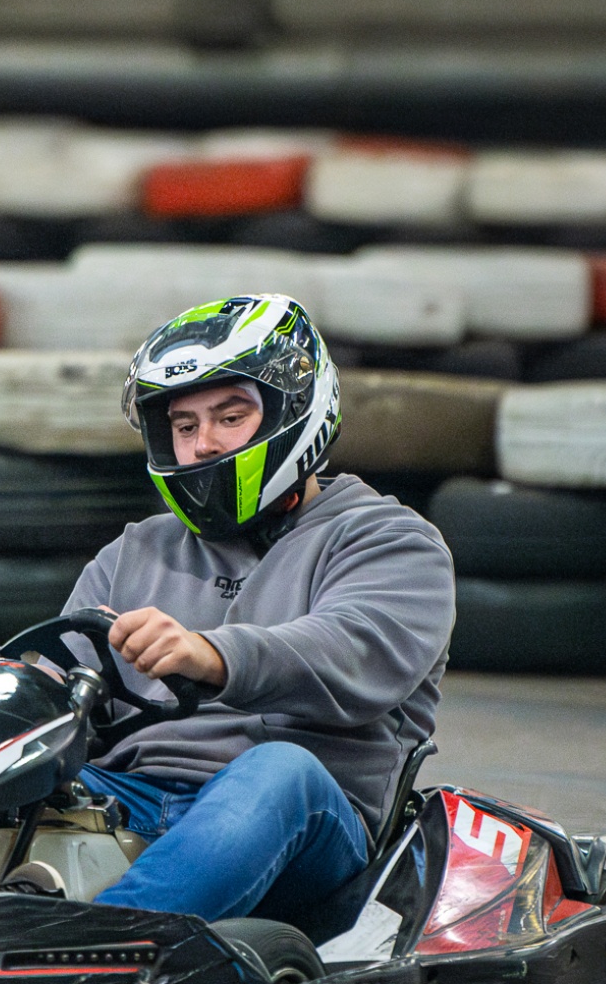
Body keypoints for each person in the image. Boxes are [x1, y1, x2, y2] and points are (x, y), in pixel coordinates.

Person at [48, 293, 455, 941]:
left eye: (230, 417)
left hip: (307, 825)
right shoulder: (135, 551)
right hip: (128, 798)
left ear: (294, 412)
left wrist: (212, 655)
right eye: (184, 427)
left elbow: (354, 650)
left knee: (279, 772)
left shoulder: (389, 540)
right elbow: (57, 681)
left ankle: (91, 951)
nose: (202, 445)